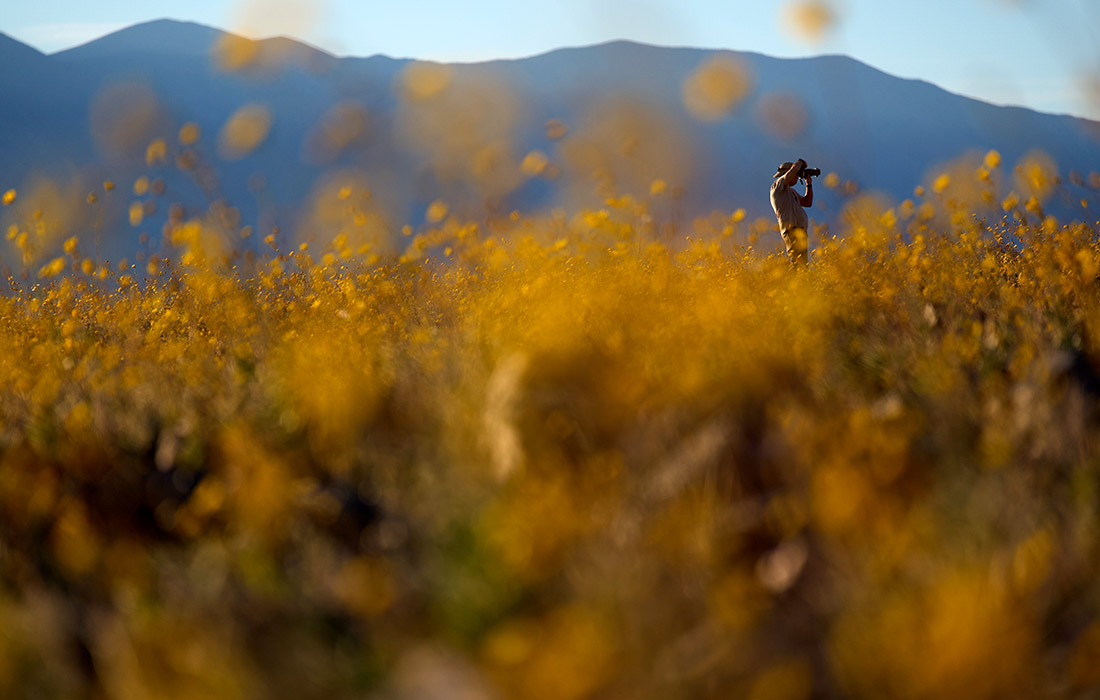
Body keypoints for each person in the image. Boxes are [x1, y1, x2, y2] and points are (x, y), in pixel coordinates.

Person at [770, 158, 814, 266]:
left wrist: (808, 184)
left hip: (800, 231)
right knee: (797, 263)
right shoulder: (777, 186)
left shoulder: (790, 192)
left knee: (803, 265)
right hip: (791, 231)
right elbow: (792, 171)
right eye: (796, 174)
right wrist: (801, 162)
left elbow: (807, 202)